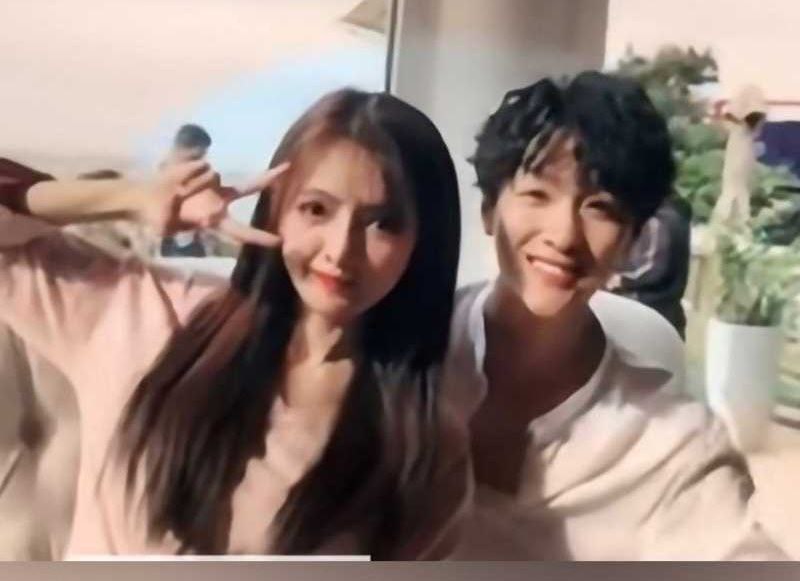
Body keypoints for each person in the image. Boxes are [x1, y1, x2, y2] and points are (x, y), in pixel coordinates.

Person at [0, 88, 468, 559]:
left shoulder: (423, 450)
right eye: (316, 209)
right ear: (277, 208)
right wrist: (133, 198)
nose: (340, 249)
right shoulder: (149, 315)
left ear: (423, 242)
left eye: (382, 223)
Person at [444, 72, 787, 560]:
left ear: (632, 241)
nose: (564, 234)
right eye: (537, 194)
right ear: (488, 209)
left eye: (600, 208)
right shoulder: (401, 353)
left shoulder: (668, 446)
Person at [608, 194, 692, 337]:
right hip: (667, 313)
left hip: (648, 312)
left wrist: (619, 279)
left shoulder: (658, 219)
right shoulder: (677, 213)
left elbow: (653, 267)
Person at [159, 124, 214, 258]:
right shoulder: (165, 172)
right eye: (200, 153)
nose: (203, 157)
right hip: (172, 243)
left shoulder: (197, 172)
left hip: (191, 242)